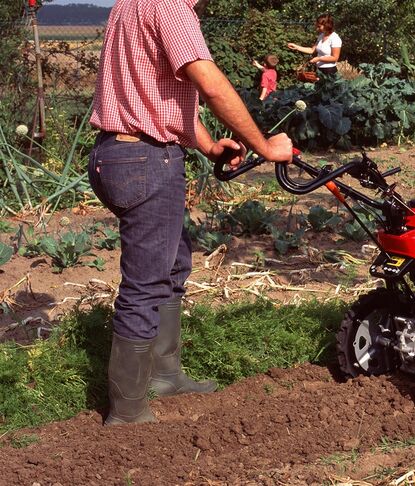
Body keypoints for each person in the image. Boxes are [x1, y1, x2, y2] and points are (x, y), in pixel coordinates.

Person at [88, 0, 293, 426]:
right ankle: (127, 412)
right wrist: (267, 146)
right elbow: (211, 85)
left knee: (172, 262)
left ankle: (164, 374)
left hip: (115, 153)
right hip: (146, 159)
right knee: (145, 283)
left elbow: (159, 95)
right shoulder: (171, 7)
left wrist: (209, 146)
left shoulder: (129, 4)